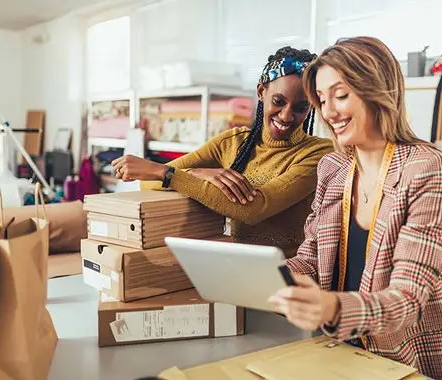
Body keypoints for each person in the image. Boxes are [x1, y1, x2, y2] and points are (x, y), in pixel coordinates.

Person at [268, 37, 442, 380]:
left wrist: (330, 307)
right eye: (323, 100)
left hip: (407, 361)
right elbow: (311, 259)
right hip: (339, 354)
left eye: (341, 95)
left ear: (377, 90)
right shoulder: (333, 168)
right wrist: (271, 274)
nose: (329, 112)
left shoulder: (428, 169)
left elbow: (407, 300)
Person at [111, 47, 333, 258]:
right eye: (278, 101)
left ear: (311, 107)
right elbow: (148, 182)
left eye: (300, 107)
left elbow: (254, 209)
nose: (286, 116)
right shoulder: (233, 142)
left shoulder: (319, 153)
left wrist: (171, 174)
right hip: (233, 268)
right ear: (261, 92)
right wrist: (196, 173)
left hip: (288, 276)